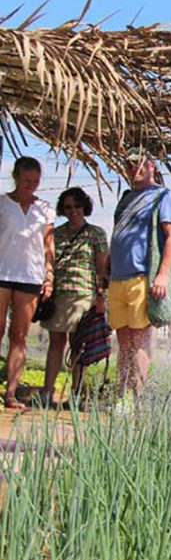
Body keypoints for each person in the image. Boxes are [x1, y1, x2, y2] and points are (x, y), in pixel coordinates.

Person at [107, 148, 171, 403]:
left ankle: (138, 398)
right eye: (128, 164)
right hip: (117, 278)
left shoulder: (162, 196)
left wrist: (162, 275)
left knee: (139, 341)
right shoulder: (127, 197)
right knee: (123, 340)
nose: (132, 168)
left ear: (151, 165)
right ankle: (120, 396)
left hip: (141, 277)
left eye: (138, 163)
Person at [41, 187, 109, 404]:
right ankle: (47, 391)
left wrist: (100, 296)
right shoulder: (56, 234)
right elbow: (48, 262)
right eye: (68, 207)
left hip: (84, 296)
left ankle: (76, 392)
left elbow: (101, 268)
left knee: (78, 347)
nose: (73, 211)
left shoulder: (96, 233)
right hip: (59, 295)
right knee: (56, 344)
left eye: (77, 206)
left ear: (84, 207)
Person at [0, 157, 55, 411]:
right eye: (26, 181)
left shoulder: (44, 209)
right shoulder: (2, 203)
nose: (30, 186)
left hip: (30, 277)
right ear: (15, 178)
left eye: (35, 182)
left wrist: (49, 275)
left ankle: (11, 394)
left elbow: (48, 246)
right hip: (2, 272)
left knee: (19, 336)